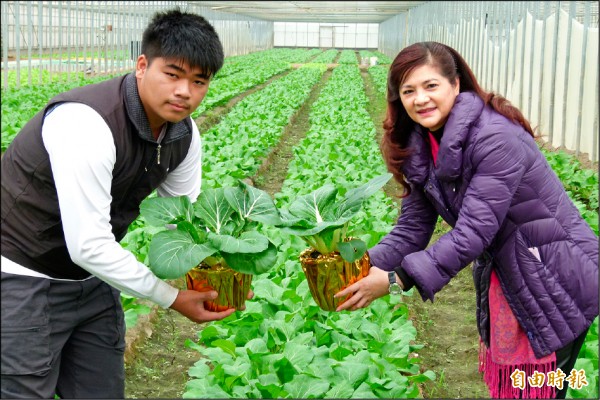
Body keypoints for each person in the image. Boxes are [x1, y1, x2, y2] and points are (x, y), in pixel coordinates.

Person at [1, 8, 250, 399]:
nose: (185, 91)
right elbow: (89, 245)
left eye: (199, 81)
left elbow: (182, 222)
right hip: (22, 277)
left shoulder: (184, 136)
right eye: (173, 74)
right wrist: (171, 298)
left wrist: (223, 274)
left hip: (92, 282)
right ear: (141, 65)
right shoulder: (86, 123)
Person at [335, 41, 598, 399]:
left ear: (456, 85)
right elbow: (412, 228)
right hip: (510, 273)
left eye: (431, 86)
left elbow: (473, 232)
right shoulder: (422, 145)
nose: (421, 99)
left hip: (556, 277)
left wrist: (396, 281)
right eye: (408, 91)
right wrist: (358, 267)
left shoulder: (495, 138)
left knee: (540, 389)